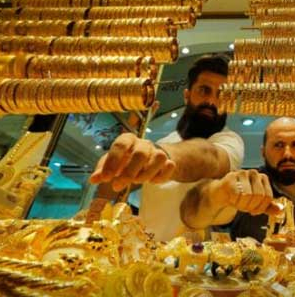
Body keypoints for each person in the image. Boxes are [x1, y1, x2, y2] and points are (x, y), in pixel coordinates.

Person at [89, 54, 244, 241]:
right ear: (187, 95)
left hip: (193, 264)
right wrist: (112, 170)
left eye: (221, 95)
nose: (211, 101)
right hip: (145, 260)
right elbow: (114, 187)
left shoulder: (230, 141)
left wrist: (161, 155)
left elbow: (209, 157)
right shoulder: (164, 142)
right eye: (204, 90)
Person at [180, 117, 295, 241]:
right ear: (263, 152)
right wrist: (218, 193)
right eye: (278, 145)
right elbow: (192, 218)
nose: (288, 154)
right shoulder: (247, 187)